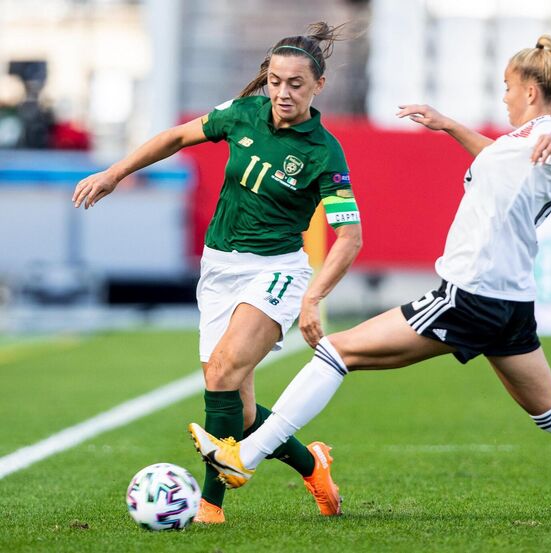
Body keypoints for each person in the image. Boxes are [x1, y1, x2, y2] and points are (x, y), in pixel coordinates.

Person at [189, 35, 551, 529]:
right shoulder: (519, 142)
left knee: (335, 352)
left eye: (509, 88)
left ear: (531, 91)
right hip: (510, 305)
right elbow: (500, 156)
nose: (505, 96)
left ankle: (245, 459)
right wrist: (448, 125)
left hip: (467, 295)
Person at [73, 22, 362, 523]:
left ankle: (209, 506)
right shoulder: (242, 113)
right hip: (218, 268)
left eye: (296, 83)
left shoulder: (323, 152)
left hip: (277, 271)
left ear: (318, 86)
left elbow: (350, 238)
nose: (282, 92)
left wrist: (314, 296)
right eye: (275, 81)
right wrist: (114, 172)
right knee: (240, 410)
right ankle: (311, 465)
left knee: (225, 369)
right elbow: (176, 137)